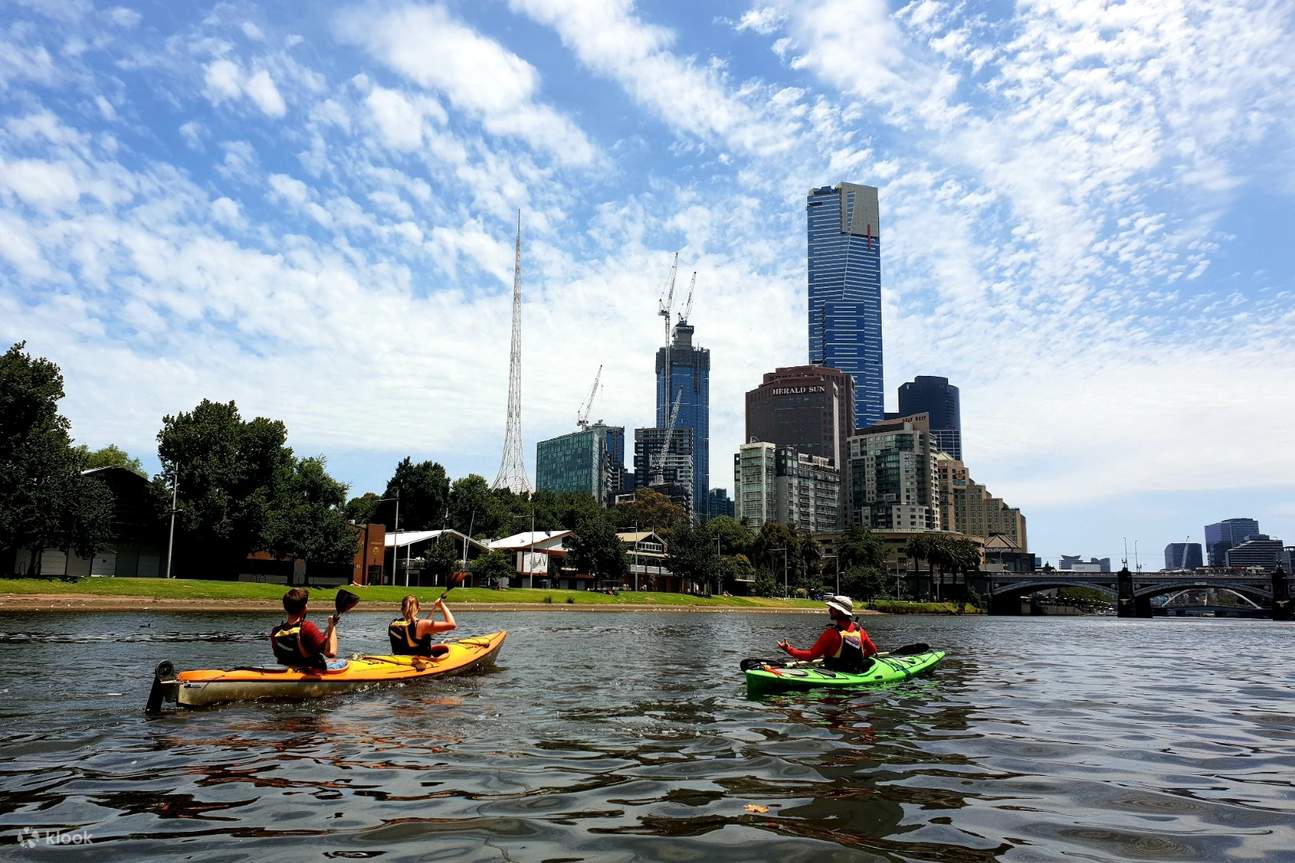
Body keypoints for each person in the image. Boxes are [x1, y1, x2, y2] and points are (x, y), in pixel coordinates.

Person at [777, 595, 878, 672]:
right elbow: (873, 650)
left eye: (832, 608)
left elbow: (811, 656)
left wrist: (788, 649)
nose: (829, 610)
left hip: (834, 674)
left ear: (840, 611)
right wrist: (856, 658)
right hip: (855, 672)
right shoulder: (860, 631)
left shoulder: (831, 634)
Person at [270, 587, 338, 670]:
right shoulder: (307, 628)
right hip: (309, 672)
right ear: (305, 607)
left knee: (331, 661)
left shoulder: (276, 631)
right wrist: (332, 626)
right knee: (341, 662)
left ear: (285, 607)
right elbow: (331, 652)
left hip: (287, 671)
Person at [388, 594, 456, 656]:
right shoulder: (422, 625)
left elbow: (417, 629)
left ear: (401, 609)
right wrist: (442, 605)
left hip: (400, 660)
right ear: (418, 609)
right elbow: (452, 625)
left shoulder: (393, 623)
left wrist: (434, 608)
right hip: (419, 662)